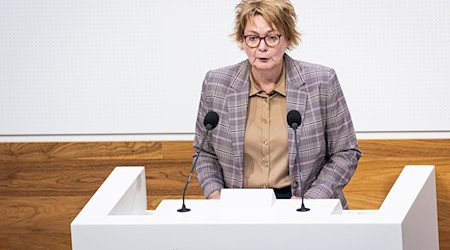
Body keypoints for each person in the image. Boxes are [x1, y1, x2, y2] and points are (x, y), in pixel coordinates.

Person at [193, 0, 362, 209]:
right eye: (253, 38)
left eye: (272, 37)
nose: (262, 47)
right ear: (242, 41)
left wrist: (311, 201)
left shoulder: (321, 82)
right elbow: (204, 153)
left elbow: (346, 152)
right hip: (238, 208)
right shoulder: (216, 84)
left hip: (303, 205)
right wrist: (215, 196)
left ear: (288, 39)